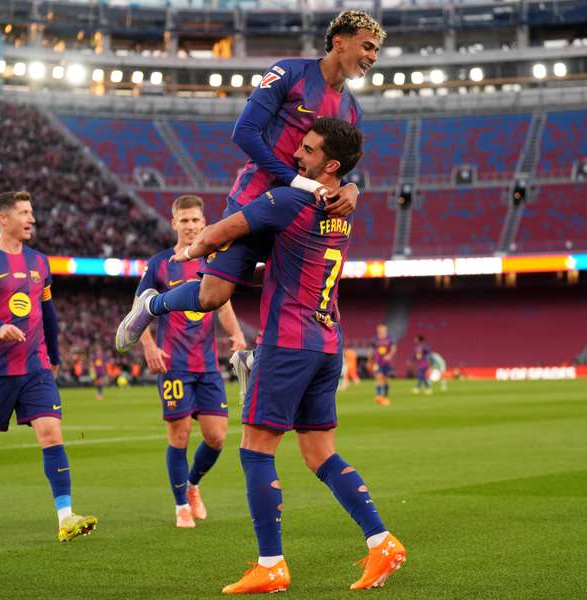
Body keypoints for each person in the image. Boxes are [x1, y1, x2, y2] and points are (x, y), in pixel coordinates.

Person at [168, 119, 405, 594]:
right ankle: (382, 542)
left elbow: (220, 234)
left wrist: (191, 248)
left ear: (330, 164)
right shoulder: (343, 207)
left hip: (289, 341)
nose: (296, 154)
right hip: (327, 341)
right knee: (320, 453)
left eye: (309, 149)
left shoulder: (291, 199)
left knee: (256, 448)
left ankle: (270, 563)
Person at [115, 11, 387, 377]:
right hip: (256, 197)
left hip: (300, 213)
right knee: (212, 296)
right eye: (367, 46)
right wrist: (295, 181)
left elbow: (342, 168)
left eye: (376, 51)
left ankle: (256, 358)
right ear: (339, 41)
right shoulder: (290, 74)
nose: (372, 57)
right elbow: (245, 133)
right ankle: (152, 305)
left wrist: (353, 187)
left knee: (302, 290)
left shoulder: (352, 109)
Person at [0, 191, 97, 541]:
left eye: (31, 212)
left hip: (35, 366)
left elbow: (48, 314)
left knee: (51, 432)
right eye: (24, 212)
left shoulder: (40, 262)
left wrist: (54, 357)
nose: (31, 219)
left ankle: (65, 517)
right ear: (3, 219)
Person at [136, 194, 247, 528]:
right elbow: (140, 308)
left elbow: (223, 303)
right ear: (174, 223)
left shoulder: (213, 259)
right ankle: (181, 505)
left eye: (196, 220)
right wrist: (149, 346)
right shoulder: (159, 264)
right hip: (174, 364)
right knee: (180, 436)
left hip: (207, 365)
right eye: (184, 220)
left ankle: (193, 484)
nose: (190, 226)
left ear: (204, 222)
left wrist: (237, 334)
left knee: (217, 437)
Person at [371, 323, 396, 406]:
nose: (381, 330)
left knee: (386, 380)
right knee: (379, 377)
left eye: (383, 329)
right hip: (378, 362)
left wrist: (389, 355)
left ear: (385, 329)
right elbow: (372, 351)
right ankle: (378, 396)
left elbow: (393, 348)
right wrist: (369, 360)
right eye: (380, 329)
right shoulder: (375, 339)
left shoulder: (389, 339)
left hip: (387, 363)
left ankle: (385, 396)